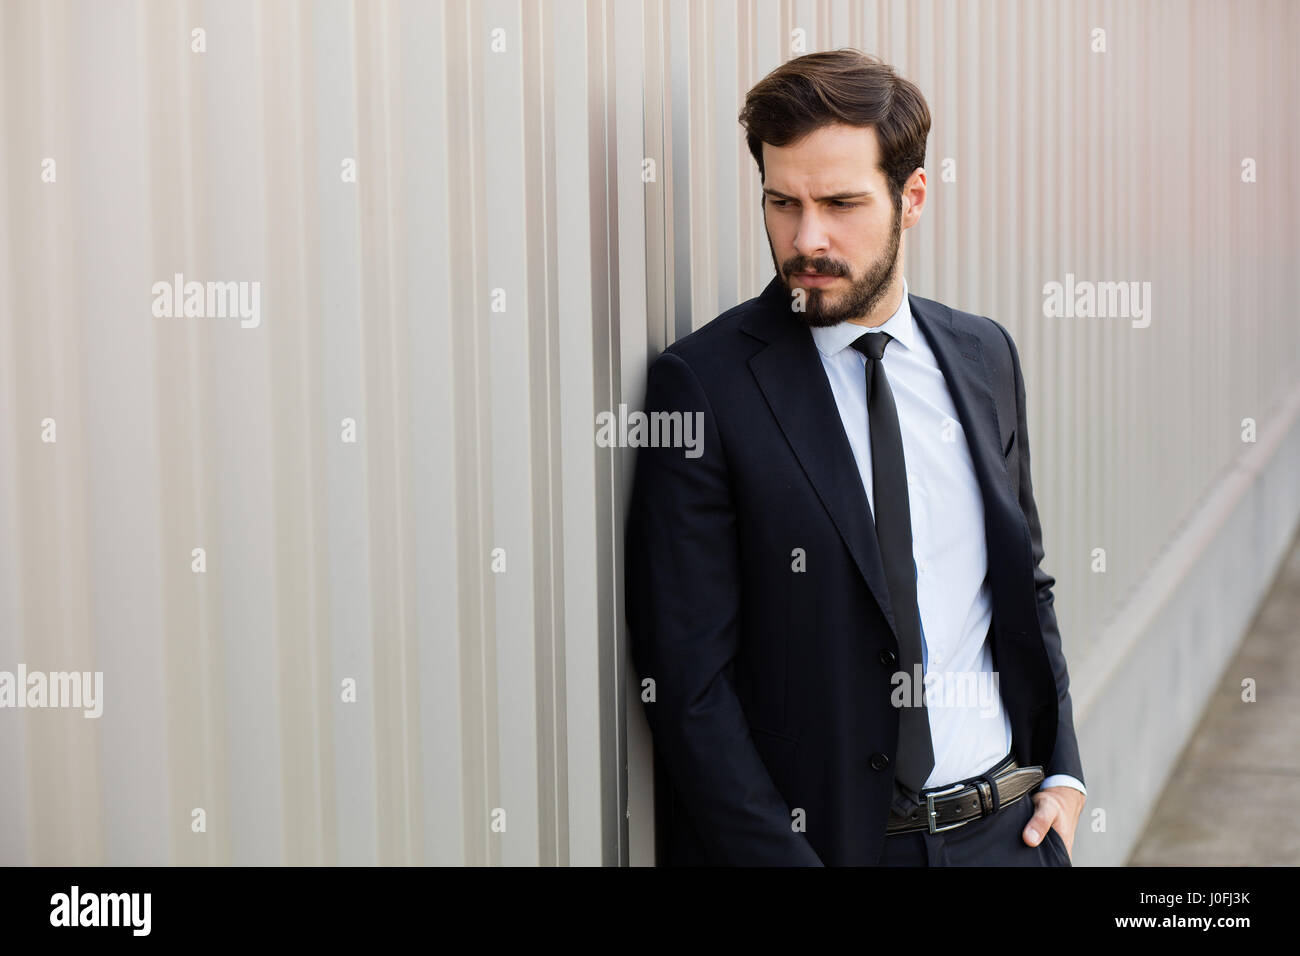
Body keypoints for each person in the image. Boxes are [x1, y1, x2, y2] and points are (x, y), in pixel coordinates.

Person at [624, 49, 1085, 866]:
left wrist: (1066, 774)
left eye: (840, 203)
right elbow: (689, 684)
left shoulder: (983, 357)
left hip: (1009, 833)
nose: (808, 239)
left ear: (912, 198)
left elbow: (1026, 579)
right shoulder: (705, 385)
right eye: (781, 202)